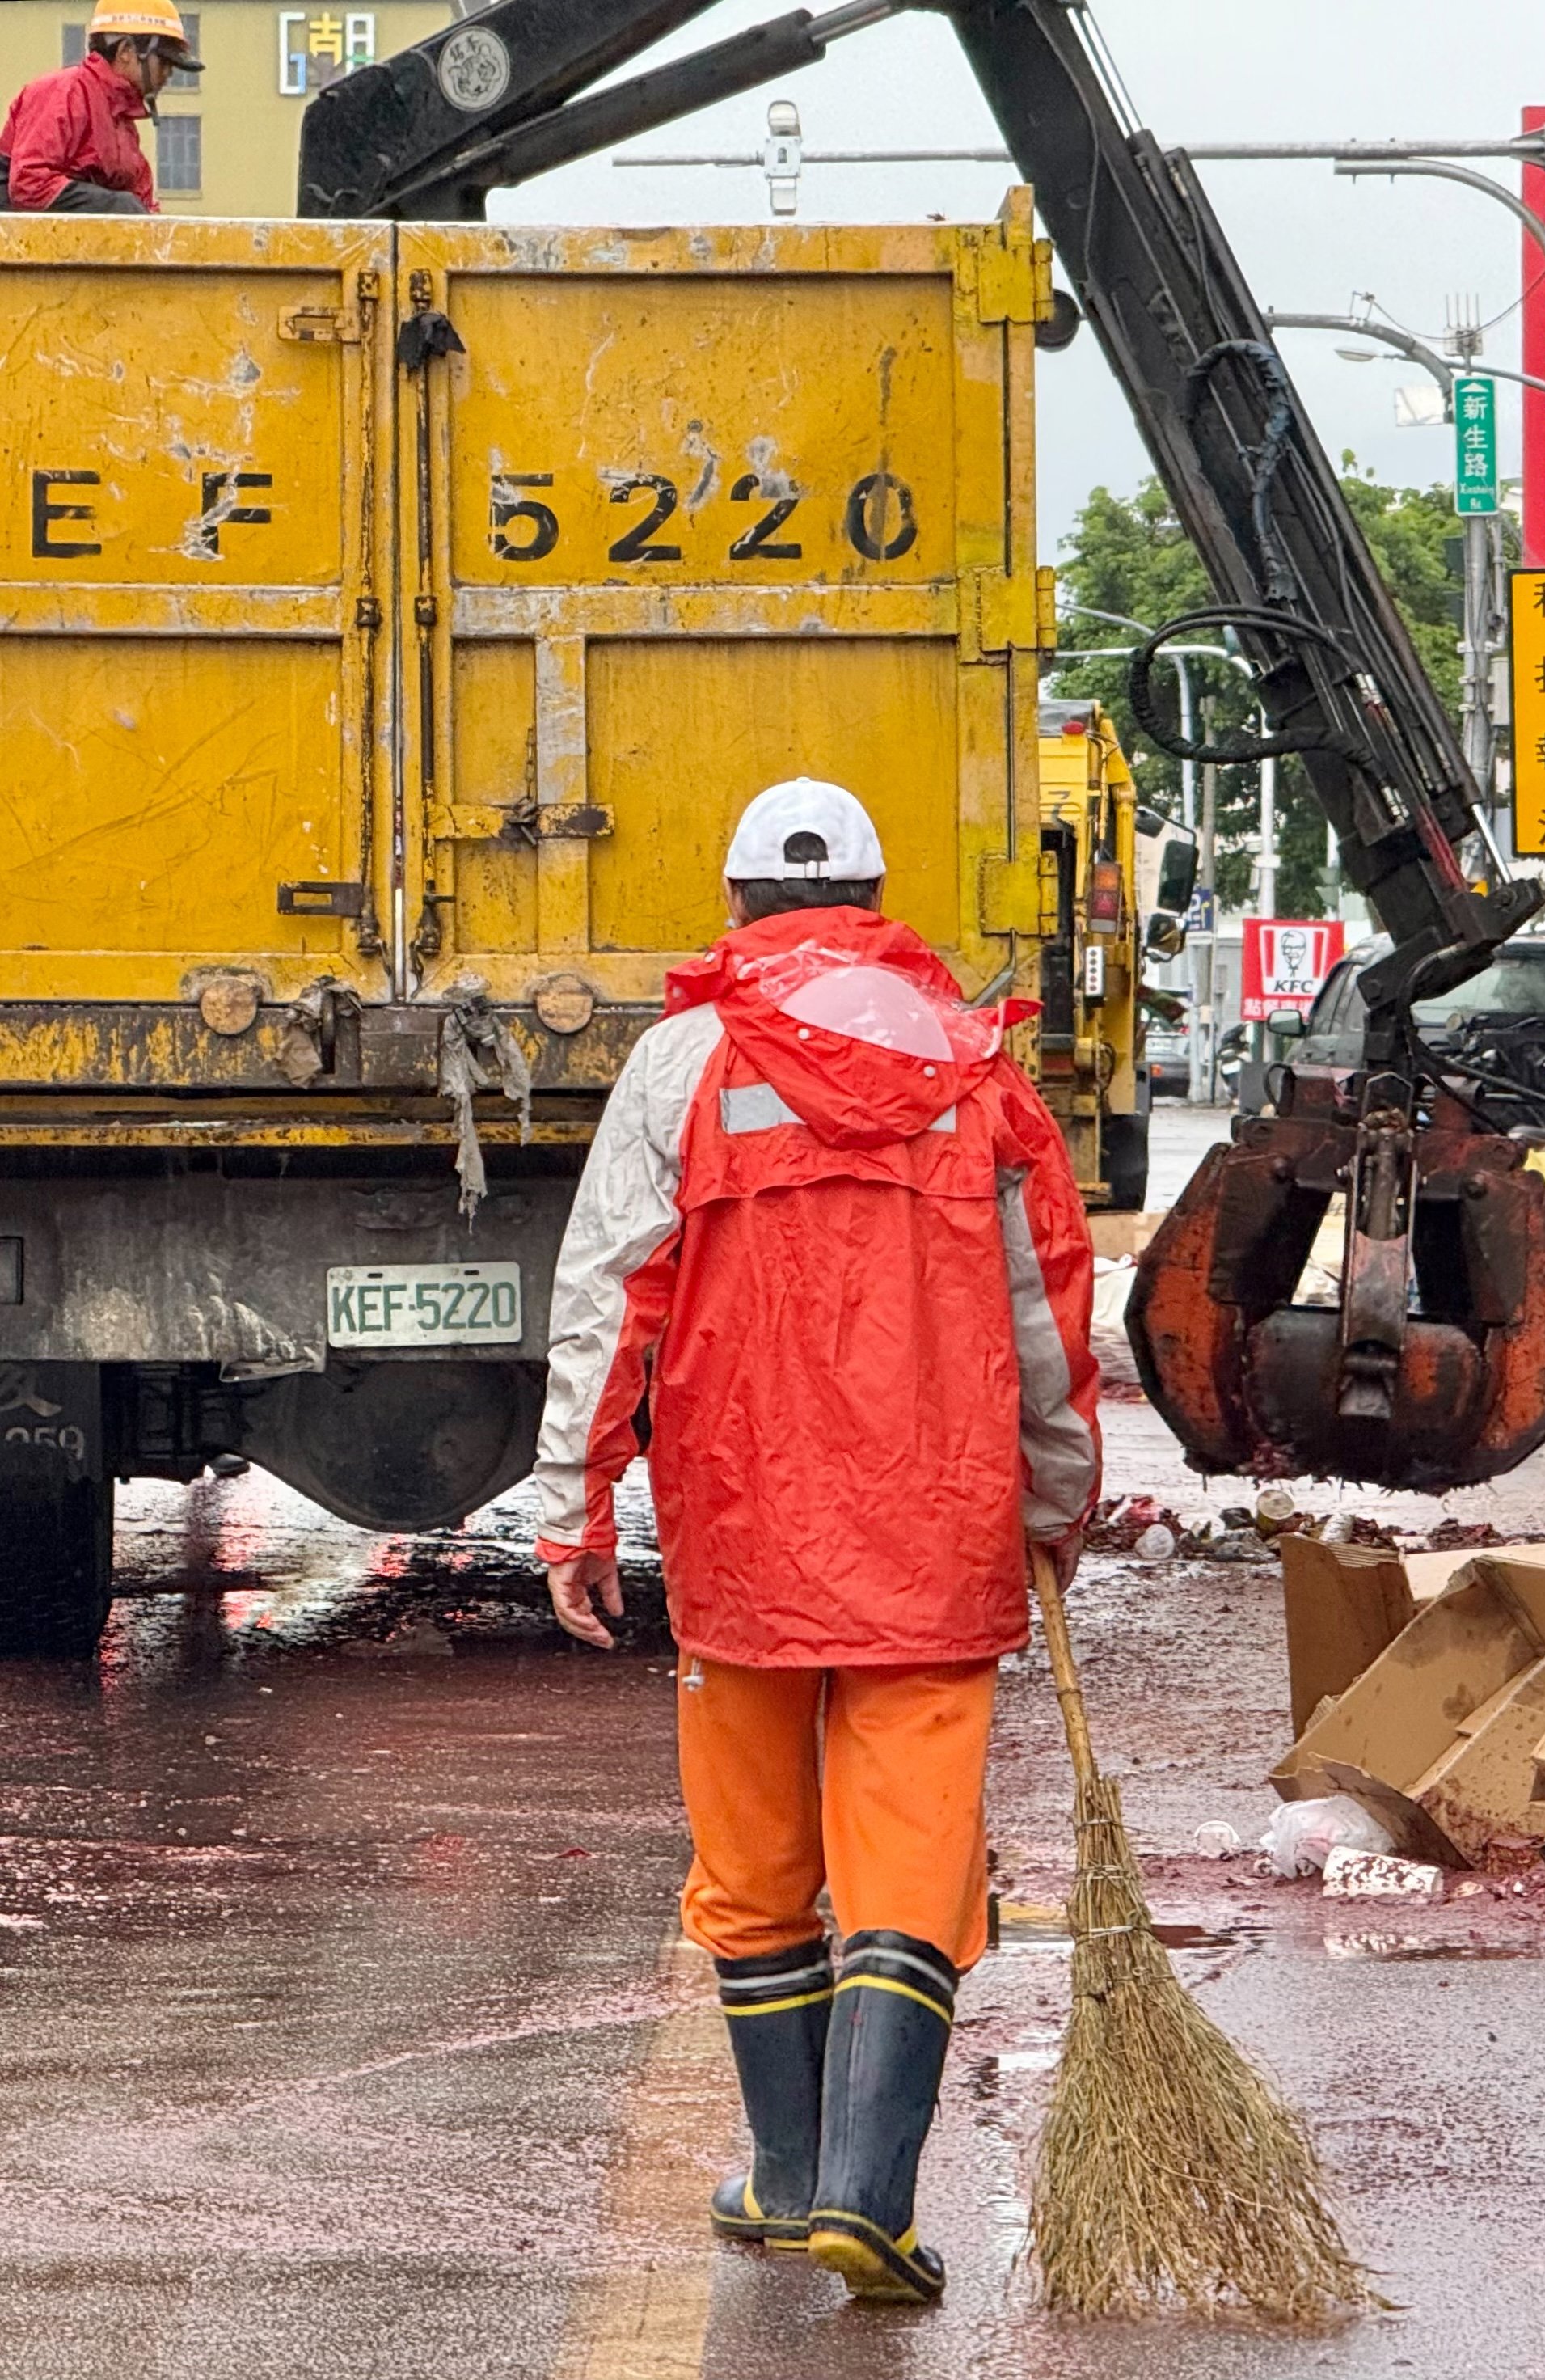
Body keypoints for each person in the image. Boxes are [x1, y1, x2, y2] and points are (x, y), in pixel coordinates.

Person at [536, 780, 1100, 2306]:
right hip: (936, 1523)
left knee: (756, 1858)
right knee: (908, 1861)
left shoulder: (682, 1061)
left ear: (734, 903)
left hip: (742, 1523)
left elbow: (611, 1295)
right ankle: (867, 2190)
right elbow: (1046, 1312)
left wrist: (575, 1501)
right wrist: (1055, 1501)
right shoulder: (972, 1062)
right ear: (874, 898)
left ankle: (788, 2176)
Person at [2, 0, 196, 216]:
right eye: (164, 62)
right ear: (126, 51)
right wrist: (116, 207)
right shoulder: (63, 93)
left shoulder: (123, 126)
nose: (168, 74)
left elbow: (145, 208)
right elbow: (28, 185)